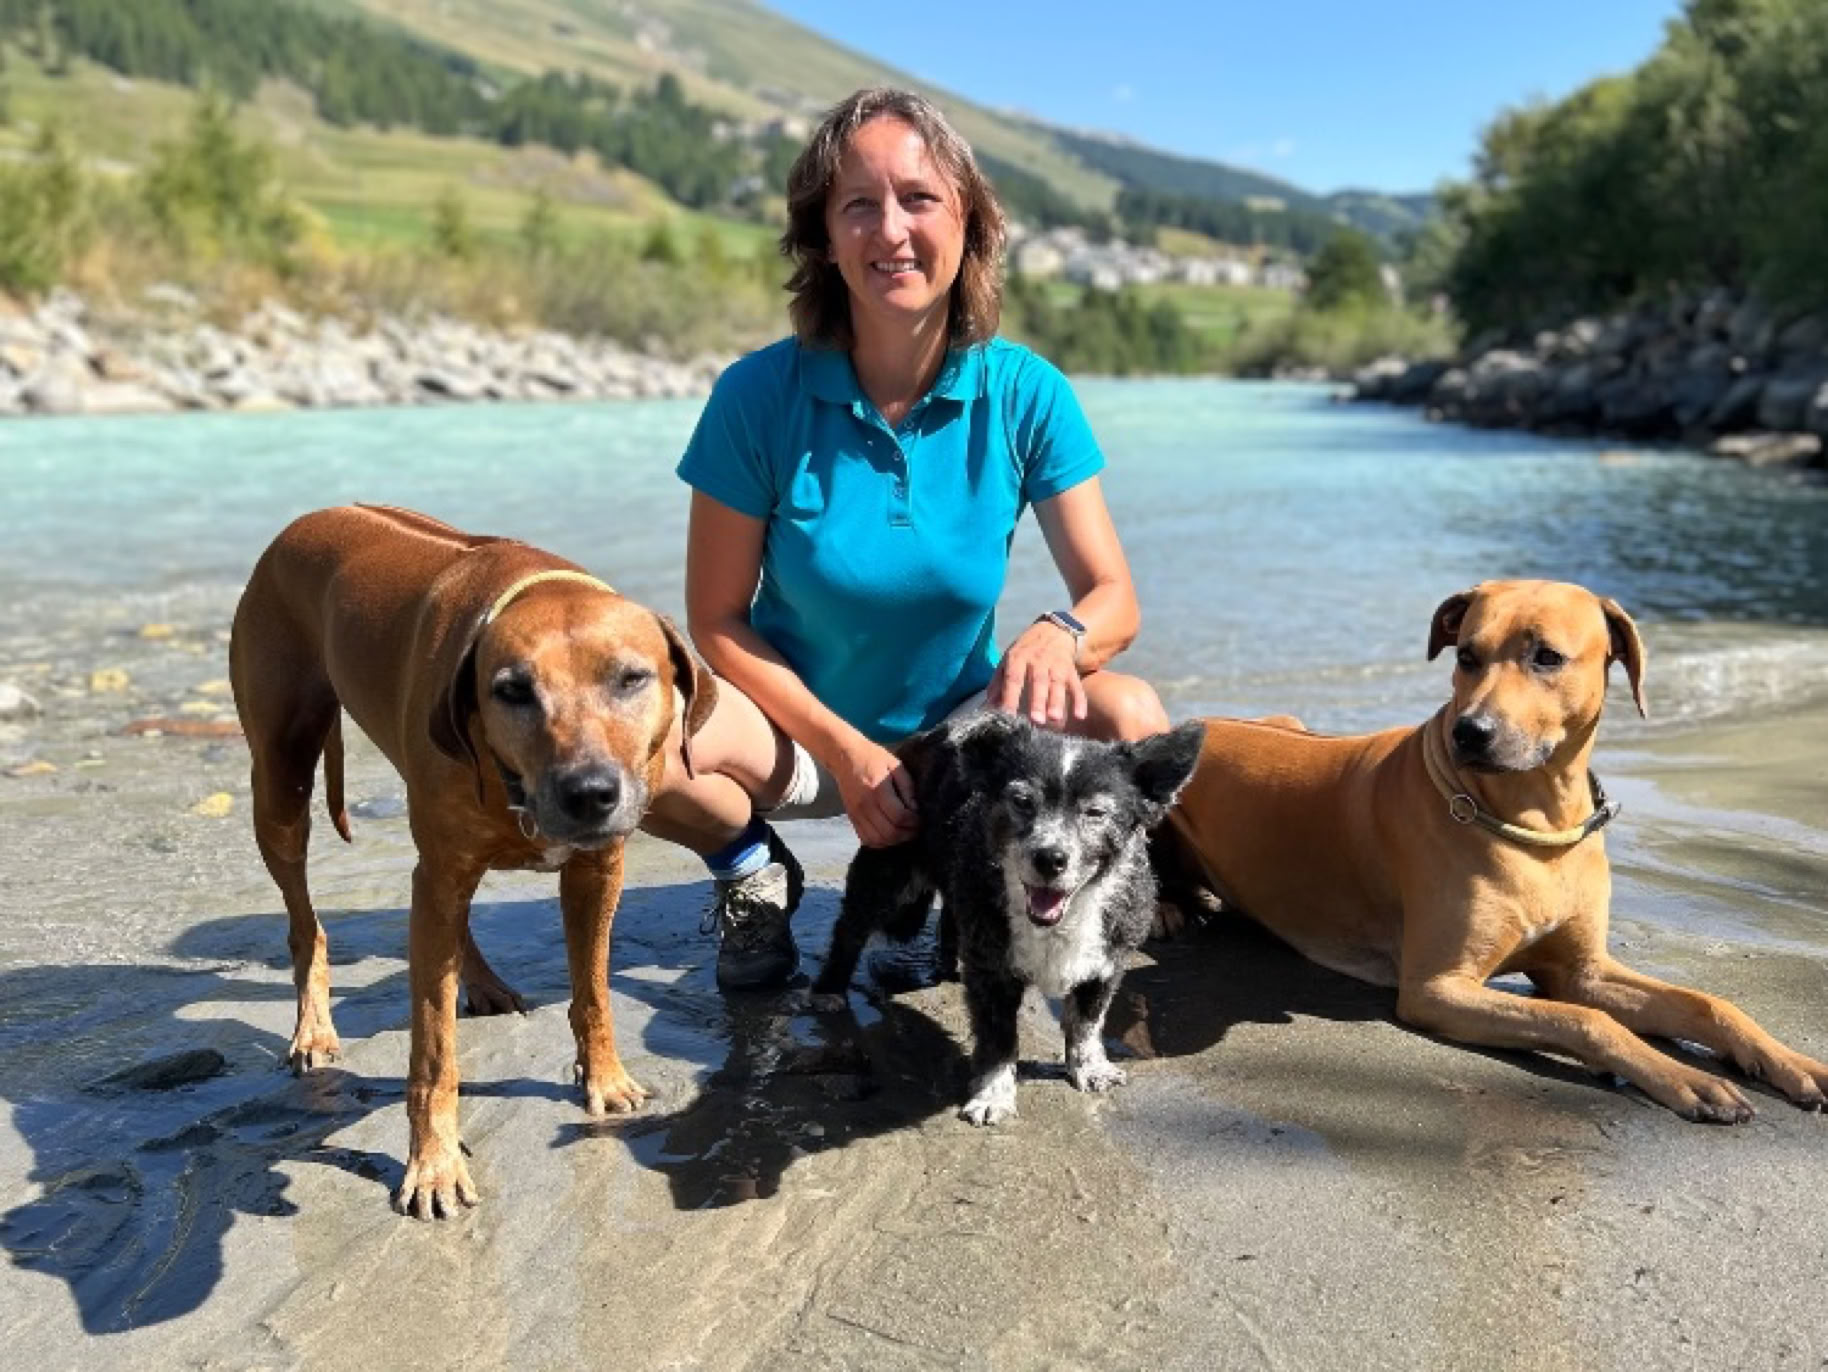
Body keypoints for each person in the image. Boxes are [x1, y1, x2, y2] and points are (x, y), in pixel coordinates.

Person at [642, 86, 1170, 990]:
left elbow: (1113, 596)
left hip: (959, 746)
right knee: (638, 731)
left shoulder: (1024, 392)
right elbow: (718, 622)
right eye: (859, 204)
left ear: (971, 223)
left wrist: (1060, 632)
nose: (891, 230)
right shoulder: (755, 397)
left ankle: (1062, 895)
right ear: (823, 237)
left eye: (919, 198)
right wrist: (847, 756)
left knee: (1130, 714)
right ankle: (748, 869)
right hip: (797, 737)